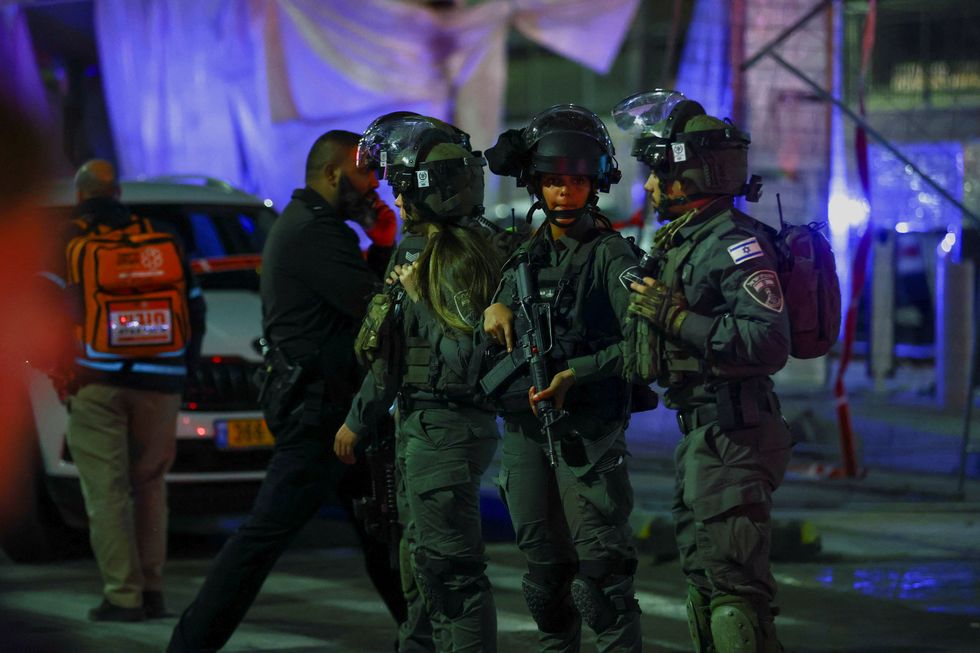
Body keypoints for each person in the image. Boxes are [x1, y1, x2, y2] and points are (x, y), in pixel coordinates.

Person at [167, 130, 405, 652]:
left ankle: (423, 640)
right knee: (262, 540)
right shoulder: (315, 233)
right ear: (333, 174)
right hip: (318, 415)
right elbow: (377, 309)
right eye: (366, 173)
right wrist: (392, 255)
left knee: (384, 535)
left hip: (336, 409)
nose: (375, 185)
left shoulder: (312, 226)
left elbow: (357, 307)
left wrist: (382, 244)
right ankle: (188, 644)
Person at [612, 90, 792, 653]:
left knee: (735, 600)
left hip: (734, 435)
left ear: (689, 176)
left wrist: (677, 319)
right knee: (707, 587)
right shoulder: (687, 240)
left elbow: (769, 343)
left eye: (658, 173)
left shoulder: (736, 245)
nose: (649, 186)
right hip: (704, 436)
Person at [336, 115, 504, 652]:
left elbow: (464, 362)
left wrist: (419, 300)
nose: (397, 200)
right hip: (416, 427)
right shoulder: (416, 250)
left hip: (447, 429)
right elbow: (392, 352)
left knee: (451, 575)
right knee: (420, 574)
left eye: (405, 189)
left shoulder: (459, 258)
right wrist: (359, 419)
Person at [481, 105, 643, 651]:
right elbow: (498, 318)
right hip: (528, 431)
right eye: (553, 182)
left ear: (595, 184)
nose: (564, 193)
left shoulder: (610, 255)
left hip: (587, 433)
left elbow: (644, 344)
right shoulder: (526, 254)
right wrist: (494, 311)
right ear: (536, 184)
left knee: (601, 582)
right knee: (546, 584)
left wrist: (579, 373)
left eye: (576, 181)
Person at [42, 160, 206, 622]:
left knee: (107, 492)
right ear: (117, 194)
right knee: (150, 486)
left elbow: (45, 314)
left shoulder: (67, 240)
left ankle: (122, 596)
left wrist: (57, 372)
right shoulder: (162, 236)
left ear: (80, 196)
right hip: (162, 382)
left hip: (97, 382)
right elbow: (195, 307)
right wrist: (183, 369)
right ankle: (153, 590)